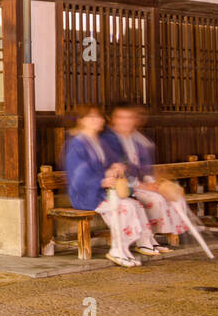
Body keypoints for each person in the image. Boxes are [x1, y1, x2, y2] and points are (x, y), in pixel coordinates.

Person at [62, 105, 158, 267]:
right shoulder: (77, 144)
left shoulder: (99, 142)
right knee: (125, 206)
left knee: (135, 205)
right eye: (92, 117)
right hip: (87, 194)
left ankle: (125, 248)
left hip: (103, 191)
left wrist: (117, 167)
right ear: (82, 121)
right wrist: (101, 181)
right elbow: (78, 173)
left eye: (98, 117)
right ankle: (116, 248)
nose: (98, 120)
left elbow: (117, 160)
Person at [102, 103, 185, 250]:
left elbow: (145, 167)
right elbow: (115, 168)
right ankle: (143, 240)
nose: (125, 121)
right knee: (154, 200)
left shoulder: (137, 140)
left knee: (168, 198)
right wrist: (142, 185)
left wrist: (151, 182)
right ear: (113, 119)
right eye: (121, 118)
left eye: (129, 118)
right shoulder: (108, 140)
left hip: (137, 184)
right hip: (119, 186)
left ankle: (149, 237)